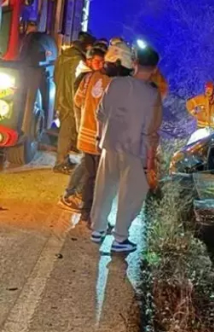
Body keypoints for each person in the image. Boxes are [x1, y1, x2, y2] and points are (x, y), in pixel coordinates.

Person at [90, 46, 162, 252]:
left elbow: (100, 114)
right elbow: (151, 132)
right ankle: (120, 239)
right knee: (131, 195)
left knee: (104, 189)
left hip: (109, 145)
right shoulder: (152, 95)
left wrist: (99, 138)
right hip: (134, 150)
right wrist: (150, 164)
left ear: (135, 63)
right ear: (155, 68)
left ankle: (97, 229)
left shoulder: (115, 84)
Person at [70, 42, 133, 223]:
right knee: (105, 181)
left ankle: (86, 212)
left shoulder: (88, 78)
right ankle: (97, 219)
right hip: (104, 141)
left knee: (91, 178)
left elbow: (78, 100)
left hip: (86, 138)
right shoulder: (118, 84)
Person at [57, 45, 107, 213]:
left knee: (87, 164)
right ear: (89, 61)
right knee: (87, 164)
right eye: (98, 62)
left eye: (103, 62)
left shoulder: (90, 77)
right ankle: (69, 194)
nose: (101, 65)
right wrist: (80, 126)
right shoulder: (87, 77)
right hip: (89, 131)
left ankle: (75, 193)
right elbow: (77, 102)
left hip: (88, 131)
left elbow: (79, 102)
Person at [53, 32, 95, 174]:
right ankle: (61, 162)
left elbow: (55, 76)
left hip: (61, 97)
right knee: (67, 131)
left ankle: (63, 159)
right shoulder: (78, 60)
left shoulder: (63, 56)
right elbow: (78, 83)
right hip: (71, 100)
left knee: (65, 130)